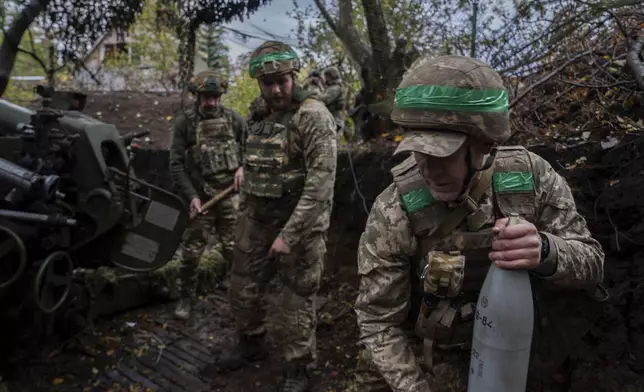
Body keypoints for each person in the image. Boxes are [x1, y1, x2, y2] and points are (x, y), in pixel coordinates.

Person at [353, 55, 605, 392]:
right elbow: (378, 320)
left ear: (484, 144)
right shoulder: (395, 207)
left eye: (442, 154)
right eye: (417, 152)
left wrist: (546, 250)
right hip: (433, 360)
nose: (427, 169)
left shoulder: (531, 179)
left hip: (521, 355)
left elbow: (592, 263)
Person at [218, 40, 337, 392]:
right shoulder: (258, 111)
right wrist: (244, 168)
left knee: (296, 300)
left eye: (282, 81)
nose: (275, 90)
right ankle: (251, 343)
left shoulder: (313, 116)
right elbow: (257, 152)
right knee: (242, 287)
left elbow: (321, 184)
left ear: (293, 76)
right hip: (257, 215)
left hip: (299, 224)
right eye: (268, 83)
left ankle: (297, 368)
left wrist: (290, 234)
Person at [168, 70, 247, 320]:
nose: (211, 102)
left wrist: (244, 168)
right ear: (197, 96)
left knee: (234, 249)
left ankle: (239, 298)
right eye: (206, 97)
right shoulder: (185, 123)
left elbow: (250, 152)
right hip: (201, 197)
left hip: (230, 198)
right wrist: (191, 195)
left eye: (215, 97)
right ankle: (185, 298)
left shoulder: (235, 120)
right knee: (191, 253)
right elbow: (176, 164)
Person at [318, 66, 348, 141]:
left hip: (334, 120)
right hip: (332, 120)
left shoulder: (335, 88)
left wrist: (313, 95)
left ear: (331, 76)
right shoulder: (333, 87)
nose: (325, 79)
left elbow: (325, 99)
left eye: (326, 76)